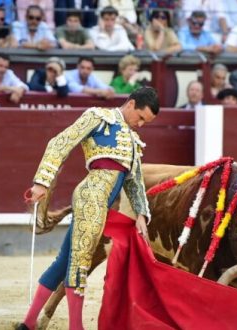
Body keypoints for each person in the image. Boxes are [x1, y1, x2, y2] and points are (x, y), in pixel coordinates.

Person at [16, 87, 160, 330]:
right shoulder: (98, 117)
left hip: (100, 203)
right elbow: (60, 142)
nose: (141, 125)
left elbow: (134, 180)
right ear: (131, 104)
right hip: (91, 196)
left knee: (65, 262)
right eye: (142, 118)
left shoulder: (134, 140)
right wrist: (41, 182)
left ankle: (28, 323)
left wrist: (142, 214)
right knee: (80, 261)